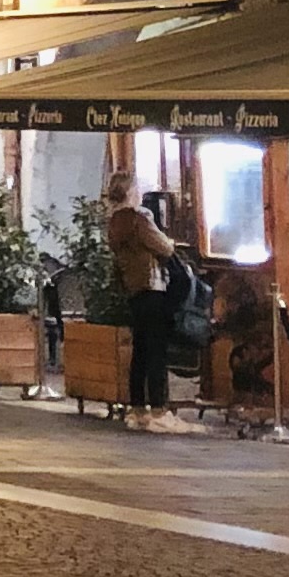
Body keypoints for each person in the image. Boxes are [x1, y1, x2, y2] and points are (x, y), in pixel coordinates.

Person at [102, 173, 180, 416]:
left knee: (140, 351)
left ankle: (138, 408)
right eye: (136, 188)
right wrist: (170, 241)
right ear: (129, 191)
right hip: (152, 286)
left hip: (133, 288)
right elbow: (164, 247)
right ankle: (157, 408)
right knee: (156, 349)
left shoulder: (114, 222)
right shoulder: (139, 218)